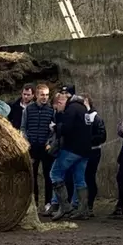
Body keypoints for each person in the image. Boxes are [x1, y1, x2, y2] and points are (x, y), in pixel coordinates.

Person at [50, 92, 92, 221]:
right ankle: (83, 210)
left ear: (60, 102)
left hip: (72, 149)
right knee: (79, 178)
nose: (57, 111)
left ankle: (65, 206)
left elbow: (67, 129)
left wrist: (56, 128)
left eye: (57, 108)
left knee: (55, 173)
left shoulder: (70, 109)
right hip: (85, 150)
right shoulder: (83, 108)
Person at [20, 84, 55, 214]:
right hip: (32, 147)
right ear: (37, 95)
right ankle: (33, 203)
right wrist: (26, 141)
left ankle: (48, 203)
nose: (45, 97)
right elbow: (23, 127)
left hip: (45, 147)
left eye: (47, 95)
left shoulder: (52, 110)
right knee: (32, 176)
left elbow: (53, 130)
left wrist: (49, 141)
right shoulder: (28, 110)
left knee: (48, 176)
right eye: (42, 95)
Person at [82, 95, 106, 217]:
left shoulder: (95, 118)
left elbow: (102, 136)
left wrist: (88, 141)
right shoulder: (83, 117)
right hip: (84, 151)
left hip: (93, 151)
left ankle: (89, 205)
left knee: (89, 178)